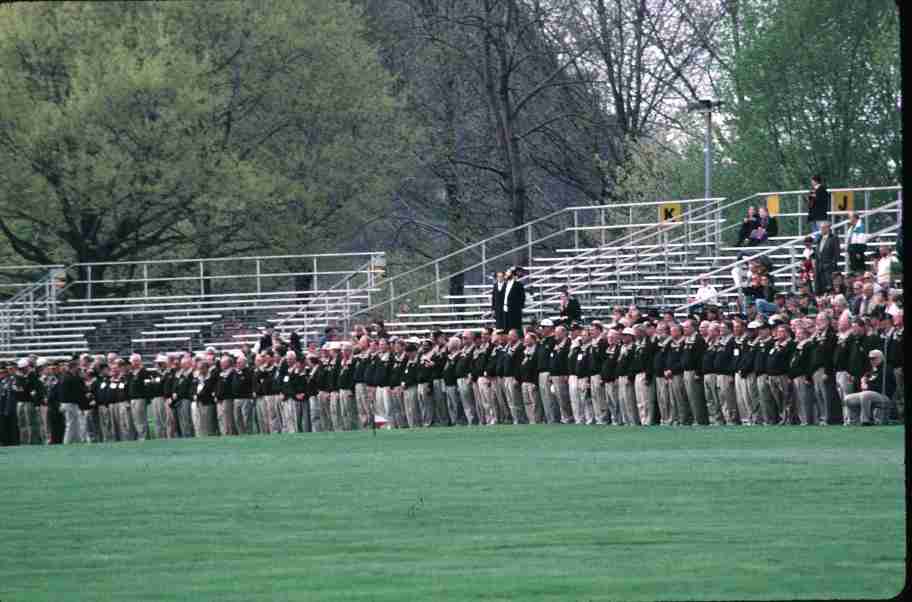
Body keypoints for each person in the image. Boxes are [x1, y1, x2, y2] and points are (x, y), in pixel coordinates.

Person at [843, 349, 896, 425]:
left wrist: (867, 386)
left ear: (880, 358)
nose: (871, 361)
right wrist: (863, 381)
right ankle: (853, 421)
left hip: (884, 396)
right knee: (848, 398)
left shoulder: (886, 369)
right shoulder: (873, 370)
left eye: (873, 358)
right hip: (872, 394)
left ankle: (866, 420)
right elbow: (865, 378)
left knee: (865, 394)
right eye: (870, 359)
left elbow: (882, 386)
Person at [814, 222, 840, 295]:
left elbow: (837, 253)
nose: (821, 230)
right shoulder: (819, 238)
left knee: (829, 288)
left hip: (829, 268)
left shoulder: (834, 238)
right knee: (820, 288)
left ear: (828, 228)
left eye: (822, 228)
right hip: (819, 268)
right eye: (821, 228)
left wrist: (832, 265)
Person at [502, 267, 526, 335]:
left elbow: (522, 298)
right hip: (505, 309)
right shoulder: (504, 284)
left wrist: (517, 309)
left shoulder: (518, 285)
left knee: (515, 329)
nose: (506, 274)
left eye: (508, 272)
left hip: (514, 311)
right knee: (506, 329)